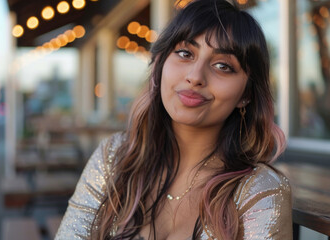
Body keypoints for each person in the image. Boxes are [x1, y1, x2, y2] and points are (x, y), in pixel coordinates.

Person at [55, 0, 292, 239]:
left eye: (223, 66)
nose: (195, 76)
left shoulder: (259, 191)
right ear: (160, 65)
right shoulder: (114, 159)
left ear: (246, 95)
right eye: (185, 53)